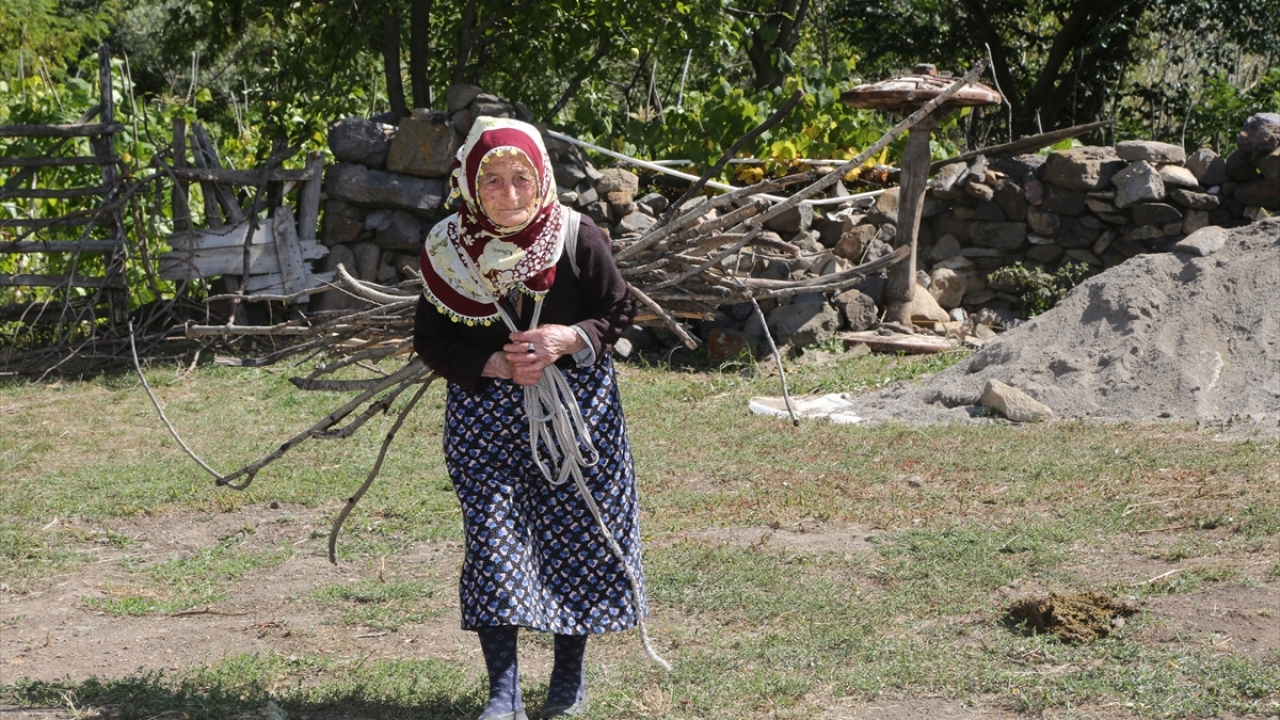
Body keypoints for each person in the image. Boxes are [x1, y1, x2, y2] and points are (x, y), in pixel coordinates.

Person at [413, 116, 651, 720]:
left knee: (577, 541)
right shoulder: (448, 247)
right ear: (468, 182)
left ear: (542, 175)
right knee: (496, 543)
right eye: (492, 181)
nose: (511, 194)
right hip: (485, 418)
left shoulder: (577, 235)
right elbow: (430, 340)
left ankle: (567, 684)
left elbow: (619, 310)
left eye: (522, 177)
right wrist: (491, 361)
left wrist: (570, 337)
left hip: (576, 418)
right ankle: (505, 693)